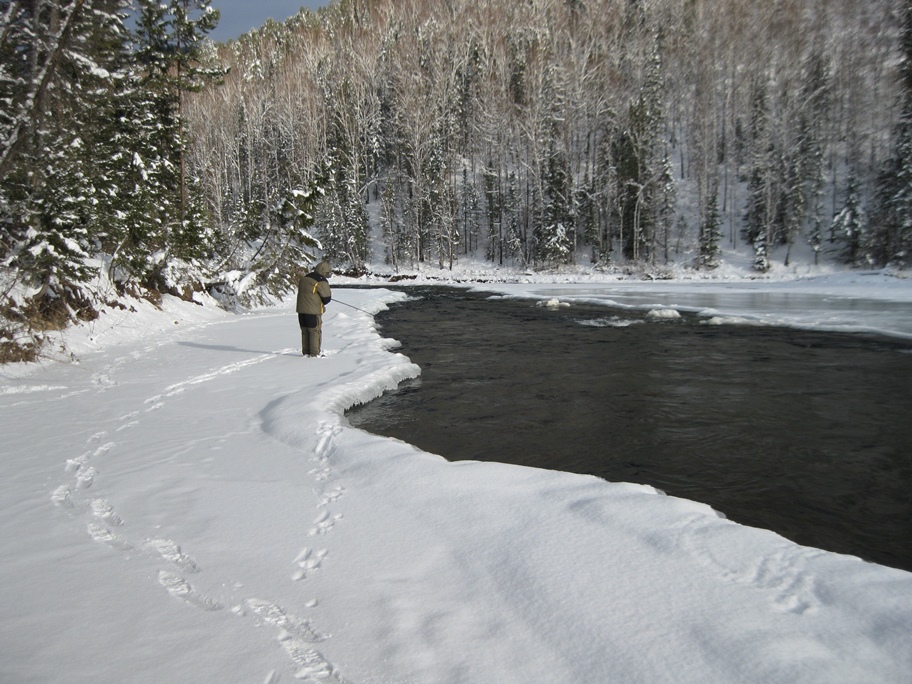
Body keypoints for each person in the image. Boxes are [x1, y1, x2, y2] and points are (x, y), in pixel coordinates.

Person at [296, 261, 332, 357]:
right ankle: (314, 354)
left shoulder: (305, 278)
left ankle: (306, 353)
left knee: (305, 331)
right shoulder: (321, 280)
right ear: (324, 271)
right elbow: (327, 298)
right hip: (313, 311)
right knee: (314, 332)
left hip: (301, 310)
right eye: (327, 273)